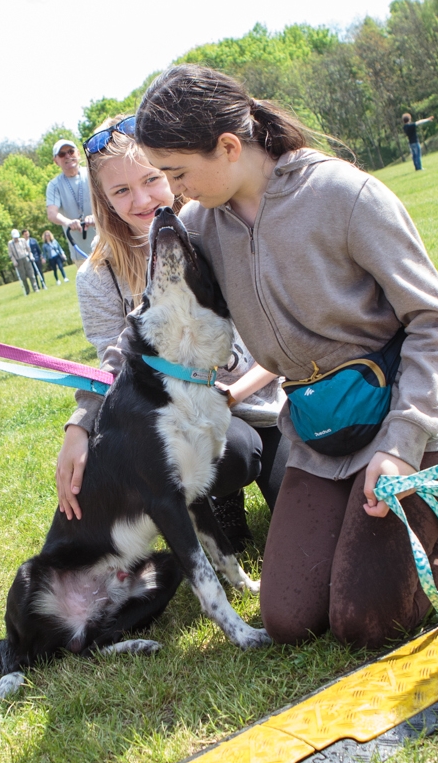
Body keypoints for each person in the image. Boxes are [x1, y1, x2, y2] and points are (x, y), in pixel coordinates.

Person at [134, 64, 438, 650]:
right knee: (290, 619)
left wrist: (402, 443)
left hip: (400, 421)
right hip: (319, 434)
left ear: (229, 147)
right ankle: (365, 522)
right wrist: (89, 402)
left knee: (365, 620)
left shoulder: (344, 195)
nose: (174, 189)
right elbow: (155, 313)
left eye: (177, 172)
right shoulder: (200, 226)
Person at [55, 115, 287, 555]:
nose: (141, 199)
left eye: (152, 179)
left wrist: (234, 393)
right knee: (235, 451)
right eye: (121, 190)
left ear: (172, 170)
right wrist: (79, 425)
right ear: (102, 200)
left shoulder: (218, 226)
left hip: (265, 399)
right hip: (191, 425)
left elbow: (277, 335)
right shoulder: (98, 277)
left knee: (310, 539)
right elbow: (114, 360)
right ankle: (219, 500)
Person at [45, 138, 97, 260]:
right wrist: (68, 222)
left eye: (71, 151)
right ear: (56, 161)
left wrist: (97, 217)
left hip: (107, 242)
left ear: (78, 153)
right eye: (62, 154)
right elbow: (52, 214)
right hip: (80, 253)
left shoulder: (93, 173)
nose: (68, 156)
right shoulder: (54, 185)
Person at [8, 229, 36, 294]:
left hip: (25, 258)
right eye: (15, 237)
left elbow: (28, 249)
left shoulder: (22, 240)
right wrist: (14, 261)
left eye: (17, 237)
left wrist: (31, 256)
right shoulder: (10, 243)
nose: (16, 238)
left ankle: (35, 288)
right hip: (18, 260)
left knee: (31, 274)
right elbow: (10, 254)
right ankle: (27, 291)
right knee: (23, 277)